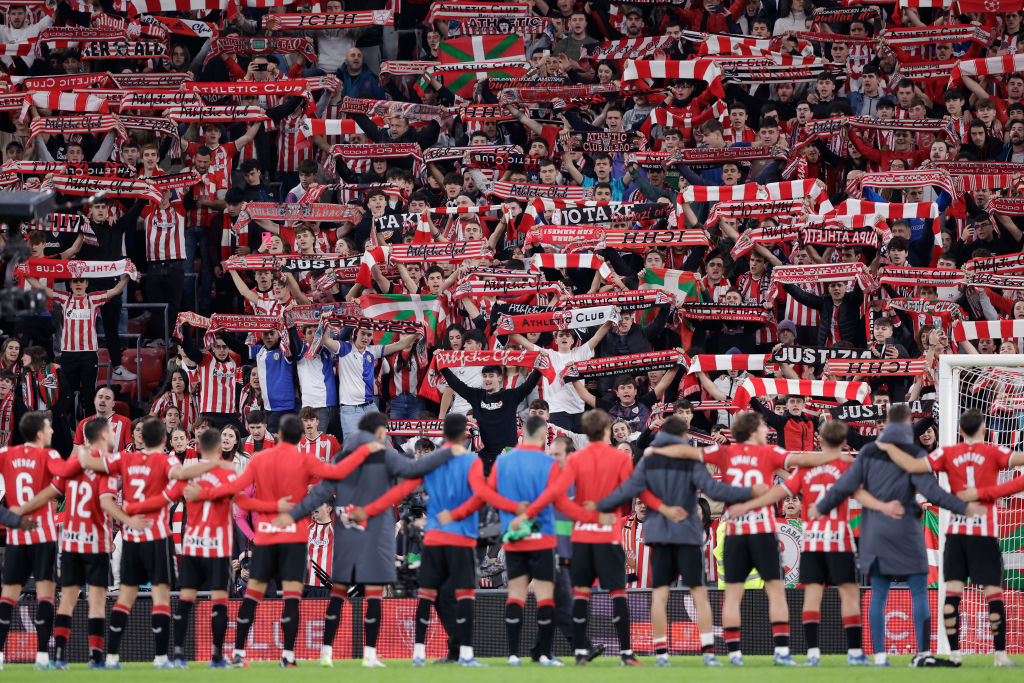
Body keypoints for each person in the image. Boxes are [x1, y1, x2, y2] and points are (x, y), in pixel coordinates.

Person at [188, 414, 386, 668]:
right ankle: (288, 656)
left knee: (252, 597)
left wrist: (203, 493)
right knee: (291, 599)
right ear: (300, 438)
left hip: (266, 539)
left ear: (279, 435)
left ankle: (238, 653)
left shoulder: (259, 459)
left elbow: (236, 492)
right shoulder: (306, 460)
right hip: (293, 540)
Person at [275, 411, 461, 668]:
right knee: (374, 595)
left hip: (347, 533)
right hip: (375, 534)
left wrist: (292, 514)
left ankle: (326, 653)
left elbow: (320, 491)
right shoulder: (385, 456)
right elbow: (415, 468)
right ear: (381, 432)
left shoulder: (342, 458)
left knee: (338, 593)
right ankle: (370, 656)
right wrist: (449, 450)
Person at [811, 404, 986, 668]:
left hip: (874, 530)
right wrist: (963, 506)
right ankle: (923, 654)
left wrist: (820, 508)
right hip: (906, 528)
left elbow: (844, 486)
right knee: (918, 591)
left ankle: (880, 657)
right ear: (906, 426)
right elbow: (933, 492)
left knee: (879, 592)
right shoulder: (914, 453)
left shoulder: (869, 452)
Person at [725, 419, 904, 666]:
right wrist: (885, 505)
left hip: (811, 543)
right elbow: (861, 493)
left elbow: (779, 492)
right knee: (850, 596)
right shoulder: (846, 466)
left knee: (811, 597)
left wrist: (747, 505)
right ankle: (854, 654)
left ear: (819, 439)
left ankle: (812, 654)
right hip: (839, 541)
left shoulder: (806, 468)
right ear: (843, 442)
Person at [509, 409, 675, 666]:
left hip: (580, 540)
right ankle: (626, 654)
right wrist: (663, 508)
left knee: (580, 595)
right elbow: (636, 490)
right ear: (607, 431)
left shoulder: (575, 460)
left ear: (585, 432)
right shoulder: (619, 458)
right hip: (608, 537)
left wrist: (528, 514)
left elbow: (555, 494)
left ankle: (580, 654)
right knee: (618, 594)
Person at [598, 416, 757, 667]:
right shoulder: (689, 458)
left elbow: (628, 490)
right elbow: (714, 491)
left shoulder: (649, 459)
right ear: (683, 436)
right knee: (699, 594)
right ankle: (708, 654)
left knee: (660, 595)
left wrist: (598, 507)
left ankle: (661, 655)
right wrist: (747, 493)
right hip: (687, 536)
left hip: (659, 536)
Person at [875, 408, 1024, 668]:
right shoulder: (993, 452)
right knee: (993, 593)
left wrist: (887, 445)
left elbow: (910, 465)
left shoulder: (947, 453)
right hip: (983, 533)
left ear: (960, 430)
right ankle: (1000, 656)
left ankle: (955, 654)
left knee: (953, 593)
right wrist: (988, 492)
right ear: (984, 429)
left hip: (956, 534)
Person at [74, 417, 217, 669]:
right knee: (161, 597)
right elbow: (182, 474)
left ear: (142, 437)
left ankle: (111, 657)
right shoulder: (166, 459)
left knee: (125, 597)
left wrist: (84, 451)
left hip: (130, 538)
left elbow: (92, 463)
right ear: (164, 439)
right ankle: (161, 658)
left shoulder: (125, 458)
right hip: (156, 538)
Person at [125, 427, 270, 669]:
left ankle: (179, 655)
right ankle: (216, 657)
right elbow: (241, 500)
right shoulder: (228, 474)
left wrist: (134, 509)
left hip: (193, 546)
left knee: (185, 600)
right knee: (219, 601)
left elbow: (165, 498)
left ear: (199, 447)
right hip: (218, 549)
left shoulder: (187, 475)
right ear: (219, 447)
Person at [357, 414, 484, 666]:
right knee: (465, 595)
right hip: (461, 538)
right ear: (464, 435)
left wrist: (369, 510)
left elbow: (400, 491)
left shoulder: (432, 462)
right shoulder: (471, 461)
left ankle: (420, 654)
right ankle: (466, 655)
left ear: (443, 433)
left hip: (434, 539)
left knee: (428, 596)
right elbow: (480, 497)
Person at [0, 412, 87, 670]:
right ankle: (42, 657)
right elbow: (64, 477)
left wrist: (12, 515)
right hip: (43, 536)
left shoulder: (6, 454)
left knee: (8, 596)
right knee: (46, 596)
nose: (51, 431)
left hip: (17, 537)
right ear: (40, 433)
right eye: (48, 427)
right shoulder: (49, 455)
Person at [440, 364, 542, 471]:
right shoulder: (477, 396)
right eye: (484, 376)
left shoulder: (510, 396)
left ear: (499, 378)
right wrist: (442, 366)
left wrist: (539, 367)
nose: (487, 379)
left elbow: (529, 385)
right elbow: (456, 384)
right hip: (485, 458)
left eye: (491, 376)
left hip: (507, 455)